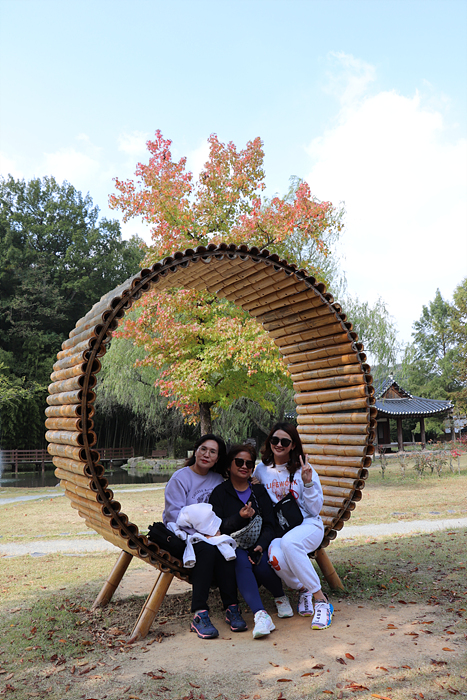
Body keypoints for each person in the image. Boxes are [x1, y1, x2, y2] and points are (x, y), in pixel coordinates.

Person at [163, 434, 247, 639]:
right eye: (203, 449)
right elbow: (174, 516)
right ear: (195, 451)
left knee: (226, 549)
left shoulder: (217, 480)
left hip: (212, 534)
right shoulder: (180, 478)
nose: (206, 454)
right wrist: (203, 535)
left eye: (212, 452)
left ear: (218, 458)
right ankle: (199, 613)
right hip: (183, 534)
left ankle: (232, 607)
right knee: (208, 550)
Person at [253, 422, 334, 630]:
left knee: (290, 543)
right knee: (274, 556)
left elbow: (315, 509)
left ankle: (321, 601)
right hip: (283, 529)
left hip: (309, 525)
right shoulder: (261, 470)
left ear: (293, 445)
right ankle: (304, 589)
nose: (279, 444)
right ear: (269, 442)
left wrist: (307, 483)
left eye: (285, 441)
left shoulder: (303, 469)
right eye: (275, 440)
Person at [209, 444, 294, 639]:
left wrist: (261, 545)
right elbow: (216, 527)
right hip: (233, 544)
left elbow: (270, 524)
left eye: (249, 463)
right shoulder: (220, 493)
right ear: (229, 465)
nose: (244, 466)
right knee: (240, 560)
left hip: (259, 542)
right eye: (239, 462)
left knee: (261, 564)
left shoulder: (259, 491)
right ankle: (261, 615)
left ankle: (280, 596)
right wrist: (239, 517)